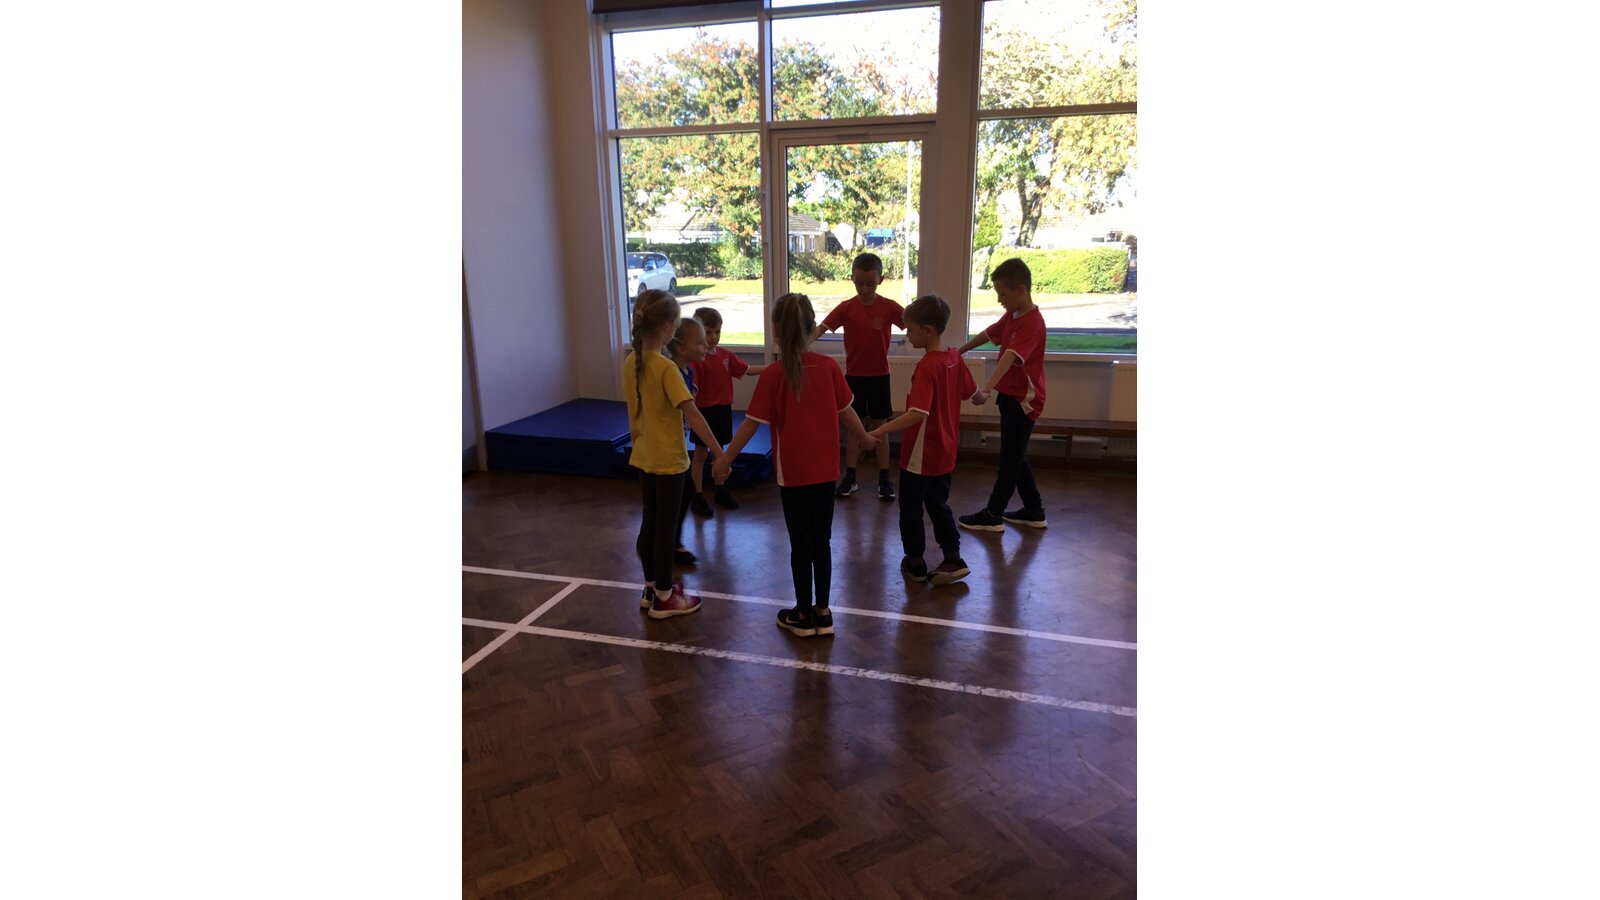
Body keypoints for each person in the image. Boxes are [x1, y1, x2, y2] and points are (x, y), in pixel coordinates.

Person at [716, 293, 877, 638]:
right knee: (821, 541)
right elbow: (847, 412)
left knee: (801, 544)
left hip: (792, 476)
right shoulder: (829, 368)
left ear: (776, 331)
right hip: (825, 473)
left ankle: (803, 614)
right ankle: (823, 612)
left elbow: (750, 424)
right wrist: (864, 439)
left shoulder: (774, 374)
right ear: (812, 327)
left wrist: (725, 459)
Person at [623, 290, 731, 619]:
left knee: (651, 522)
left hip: (644, 457)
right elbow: (695, 416)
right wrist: (719, 454)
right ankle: (664, 596)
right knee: (665, 529)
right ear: (668, 328)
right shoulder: (666, 368)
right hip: (669, 461)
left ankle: (651, 588)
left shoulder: (631, 362)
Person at [868, 294, 977, 585]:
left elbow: (917, 413)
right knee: (938, 503)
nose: (907, 335)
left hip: (921, 454)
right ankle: (953, 557)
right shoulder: (954, 358)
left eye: (910, 330)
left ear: (927, 331)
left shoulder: (928, 366)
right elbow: (972, 393)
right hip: (946, 451)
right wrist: (983, 395)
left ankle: (915, 562)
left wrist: (881, 430)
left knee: (911, 508)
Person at [955, 258, 1049, 531]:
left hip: (1024, 401)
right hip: (1008, 396)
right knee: (1015, 455)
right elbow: (988, 334)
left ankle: (993, 513)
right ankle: (1034, 510)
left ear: (1021, 290)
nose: (999, 300)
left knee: (1009, 460)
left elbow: (1009, 357)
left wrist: (985, 389)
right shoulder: (1013, 316)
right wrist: (958, 351)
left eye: (1002, 294)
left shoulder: (1032, 324)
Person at [810, 252, 904, 501]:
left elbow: (915, 324)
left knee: (880, 427)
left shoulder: (889, 307)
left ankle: (884, 478)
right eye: (859, 283)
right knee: (855, 427)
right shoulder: (846, 308)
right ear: (851, 278)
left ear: (880, 279)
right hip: (854, 378)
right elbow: (820, 329)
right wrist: (799, 343)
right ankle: (850, 477)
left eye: (870, 283)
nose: (864, 289)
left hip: (880, 377)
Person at [687, 306, 764, 518]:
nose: (713, 337)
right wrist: (688, 413)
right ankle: (697, 495)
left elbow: (747, 370)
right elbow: (692, 391)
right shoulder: (697, 360)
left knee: (719, 453)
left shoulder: (726, 355)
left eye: (717, 332)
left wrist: (771, 369)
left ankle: (720, 489)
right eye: (708, 332)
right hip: (704, 413)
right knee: (701, 454)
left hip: (722, 411)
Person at [663, 315, 711, 567]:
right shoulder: (671, 372)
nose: (706, 346)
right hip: (667, 448)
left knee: (683, 493)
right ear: (681, 348)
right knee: (680, 494)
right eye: (700, 342)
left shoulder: (687, 371)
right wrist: (719, 453)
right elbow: (691, 413)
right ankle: (671, 543)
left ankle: (667, 540)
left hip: (678, 443)